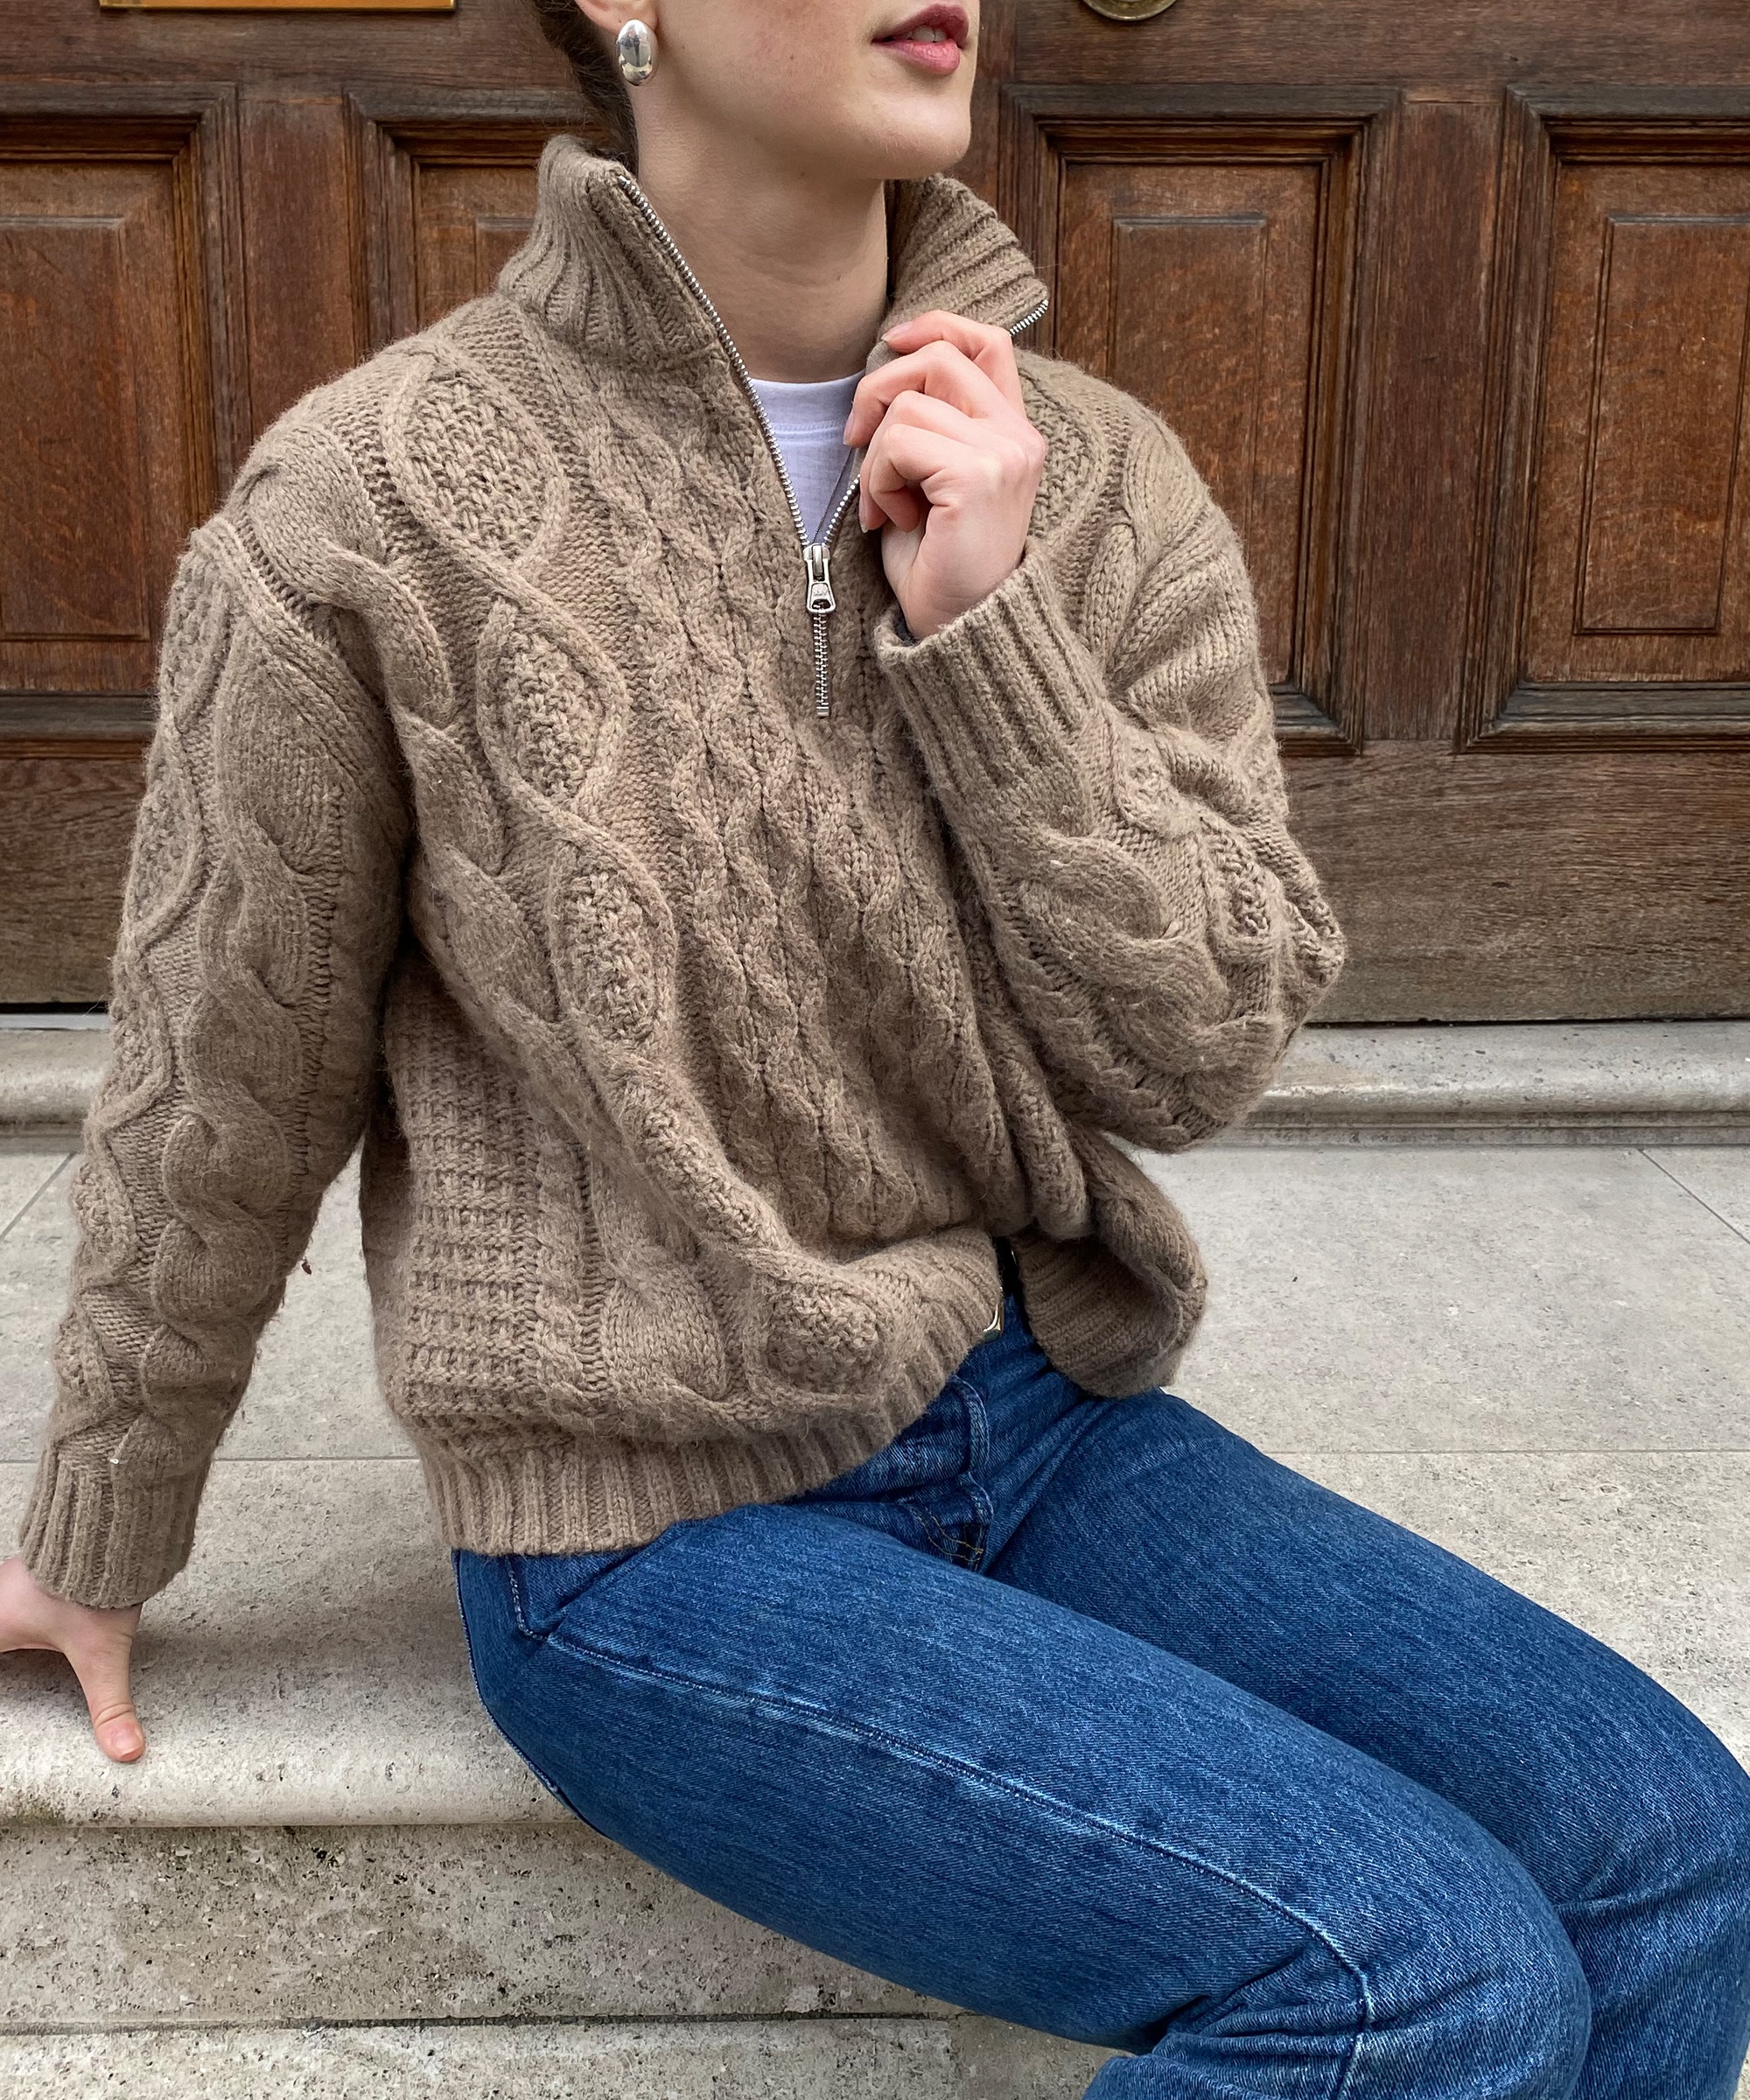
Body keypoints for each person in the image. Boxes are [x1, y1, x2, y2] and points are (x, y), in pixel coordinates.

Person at [4, 2, 1748, 2091]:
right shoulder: (365, 504)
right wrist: (100, 1522)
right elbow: (225, 1064)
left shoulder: (1095, 476)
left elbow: (1197, 1049)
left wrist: (992, 643)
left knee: (1671, 1849)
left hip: (1029, 1412)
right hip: (647, 1526)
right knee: (1411, 1981)